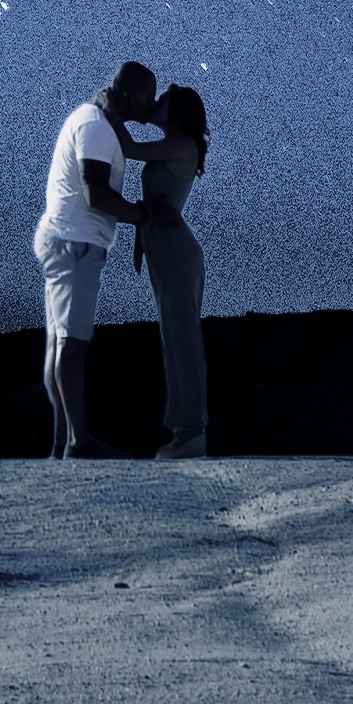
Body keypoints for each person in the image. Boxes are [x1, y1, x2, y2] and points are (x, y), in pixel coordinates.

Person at [31, 62, 157, 457]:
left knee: (60, 343)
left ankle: (62, 441)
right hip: (75, 244)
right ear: (127, 94)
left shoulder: (95, 120)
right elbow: (96, 194)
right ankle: (78, 442)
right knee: (73, 345)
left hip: (66, 239)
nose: (151, 105)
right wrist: (140, 214)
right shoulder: (97, 128)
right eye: (147, 97)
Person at [130, 82, 212, 457]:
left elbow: (128, 149)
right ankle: (185, 430)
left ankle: (194, 431)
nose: (156, 102)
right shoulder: (175, 145)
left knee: (184, 340)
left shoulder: (183, 146)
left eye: (162, 99)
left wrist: (109, 107)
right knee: (173, 339)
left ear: (175, 110)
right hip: (165, 252)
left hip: (177, 253)